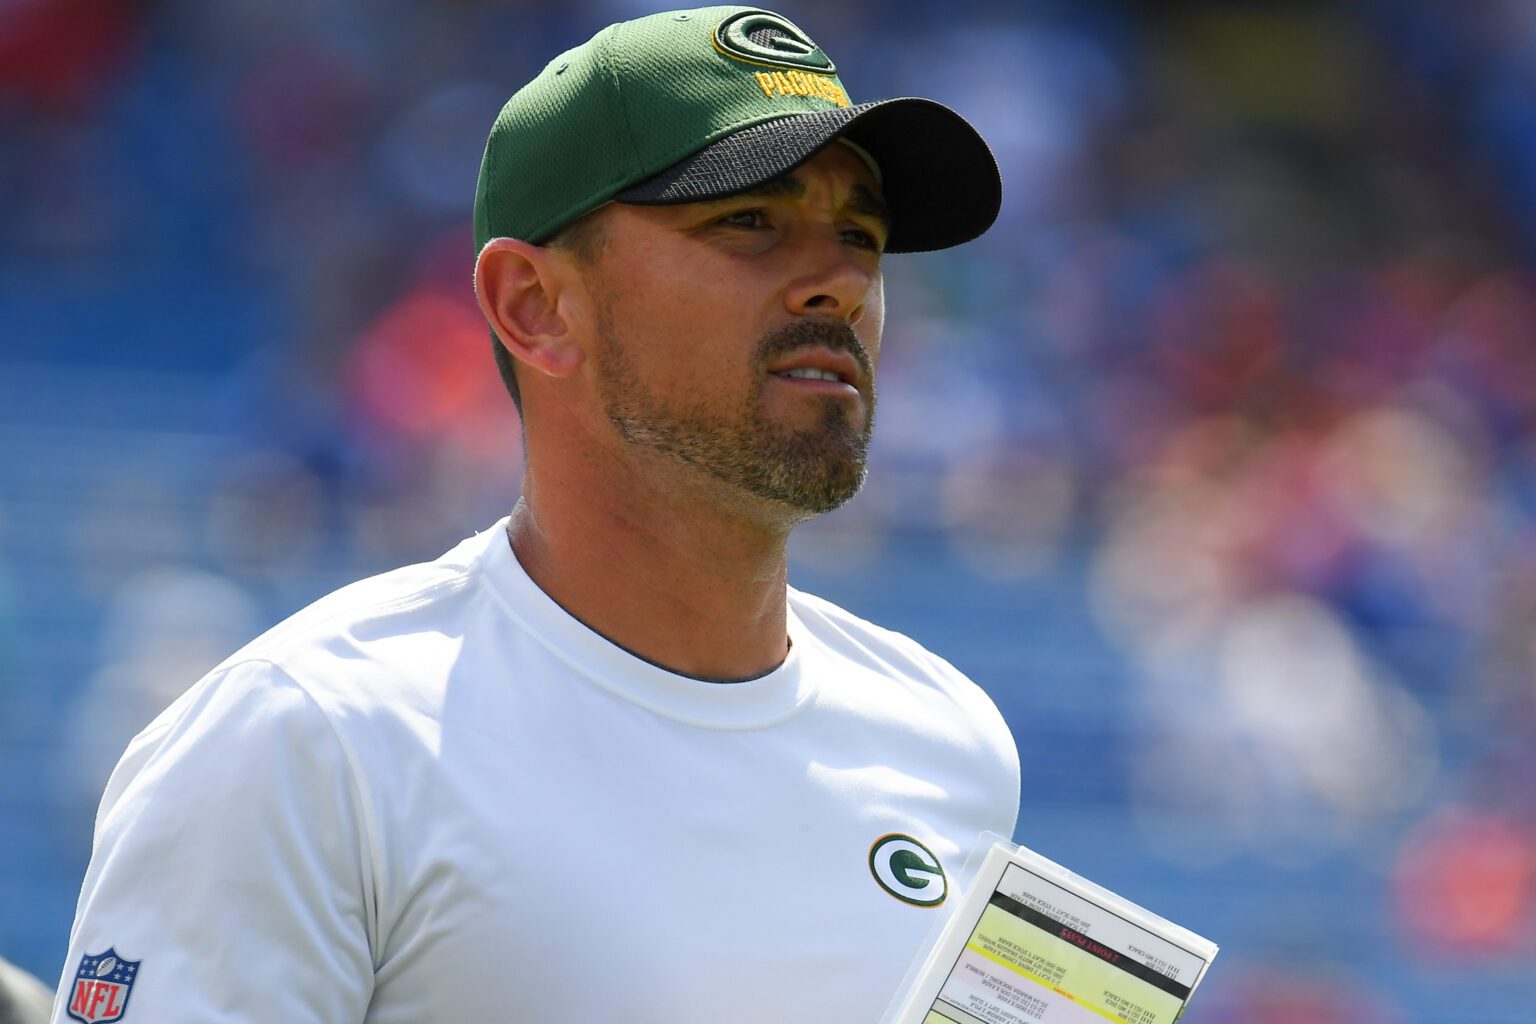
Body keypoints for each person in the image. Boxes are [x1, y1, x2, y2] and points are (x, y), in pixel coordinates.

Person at [53, 6, 1019, 1021]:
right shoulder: (311, 739)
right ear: (533, 305)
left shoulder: (951, 742)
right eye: (749, 222)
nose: (840, 280)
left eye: (861, 235)